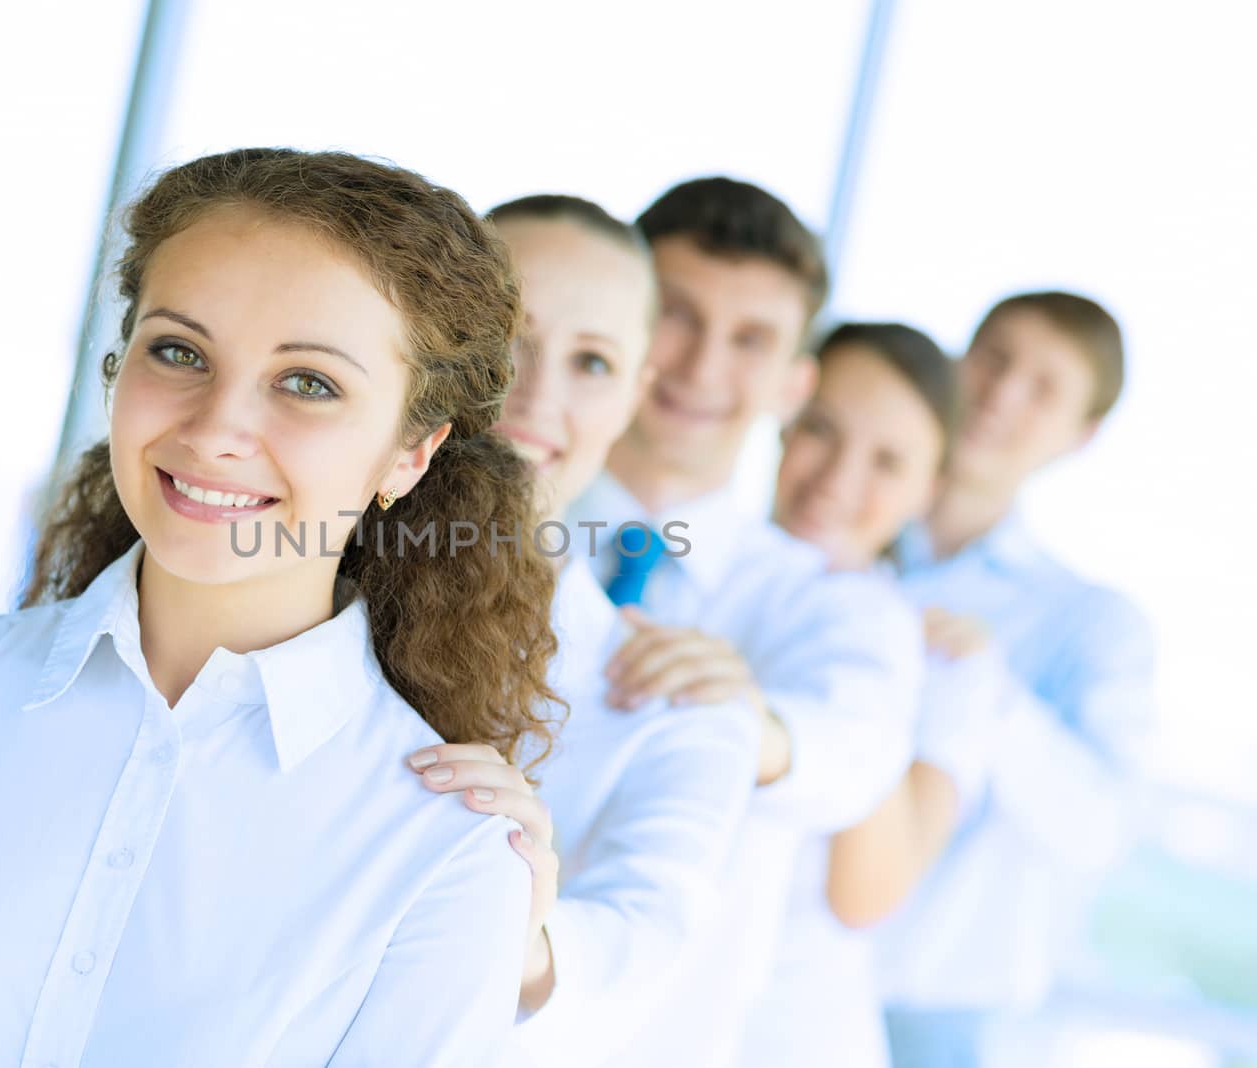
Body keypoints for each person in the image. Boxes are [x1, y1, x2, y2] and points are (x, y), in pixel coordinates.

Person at [0, 148, 558, 1067]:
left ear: (411, 452)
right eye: (179, 352)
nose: (214, 431)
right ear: (118, 365)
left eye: (308, 383)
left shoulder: (445, 858)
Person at [564, 177, 924, 1066]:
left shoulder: (836, 607)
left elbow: (854, 748)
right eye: (678, 317)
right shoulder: (467, 534)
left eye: (751, 339)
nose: (701, 367)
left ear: (795, 383)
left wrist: (750, 724)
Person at [404, 195, 762, 1064]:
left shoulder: (677, 706)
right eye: (506, 341)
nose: (536, 394)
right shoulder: (284, 589)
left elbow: (644, 938)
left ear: (638, 392)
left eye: (592, 363)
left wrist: (523, 931)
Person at [873, 292, 1156, 1066]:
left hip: (932, 1022)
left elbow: (1099, 831)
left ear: (1081, 435)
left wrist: (989, 693)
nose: (999, 396)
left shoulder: (1090, 624)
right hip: (768, 975)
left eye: (1043, 387)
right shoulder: (838, 537)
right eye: (993, 359)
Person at [735, 322, 1005, 1068]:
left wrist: (876, 676)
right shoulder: (680, 562)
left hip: (788, 1034)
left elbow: (868, 896)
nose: (839, 478)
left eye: (888, 461)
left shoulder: (943, 662)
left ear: (931, 487)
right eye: (821, 430)